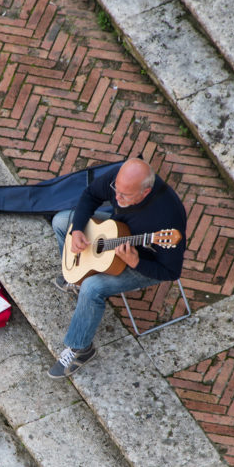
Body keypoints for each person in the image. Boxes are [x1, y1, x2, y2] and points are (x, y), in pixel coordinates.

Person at [48, 158, 187, 378]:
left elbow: (171, 272)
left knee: (93, 288)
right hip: (117, 231)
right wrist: (77, 231)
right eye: (116, 191)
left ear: (145, 192)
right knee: (62, 221)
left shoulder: (167, 218)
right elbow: (90, 195)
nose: (116, 198)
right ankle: (76, 276)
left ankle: (81, 349)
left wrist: (136, 263)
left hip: (142, 260)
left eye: (125, 196)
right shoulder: (118, 180)